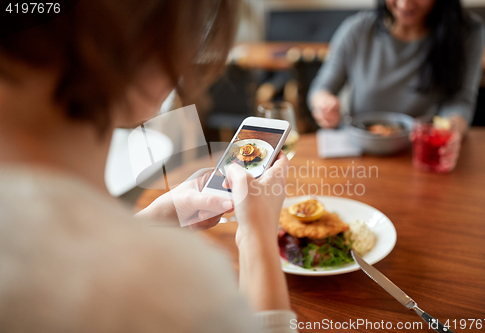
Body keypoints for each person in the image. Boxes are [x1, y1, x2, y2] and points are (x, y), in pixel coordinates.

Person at [0, 1, 297, 332]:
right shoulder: (169, 286)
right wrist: (257, 237)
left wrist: (161, 217)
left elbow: (60, 261)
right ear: (151, 39)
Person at [309, 0, 485, 169]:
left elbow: (461, 100)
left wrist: (449, 130)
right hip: (361, 156)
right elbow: (321, 88)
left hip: (421, 155)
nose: (404, 4)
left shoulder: (467, 31)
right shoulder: (358, 28)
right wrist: (324, 104)